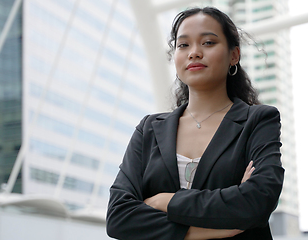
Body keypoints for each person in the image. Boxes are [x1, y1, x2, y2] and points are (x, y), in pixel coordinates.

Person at [106, 7, 284, 240]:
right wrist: (202, 230)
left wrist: (165, 201)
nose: (194, 53)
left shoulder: (259, 120)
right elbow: (119, 217)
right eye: (183, 45)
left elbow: (257, 202)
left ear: (234, 55)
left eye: (208, 43)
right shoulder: (149, 128)